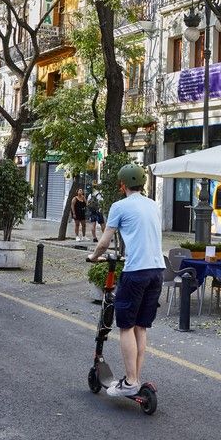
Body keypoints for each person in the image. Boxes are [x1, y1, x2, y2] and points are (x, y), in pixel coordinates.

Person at [87, 164, 165, 397]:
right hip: (157, 270)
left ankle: (130, 380)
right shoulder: (153, 205)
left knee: (125, 326)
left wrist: (93, 257)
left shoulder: (119, 206)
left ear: (122, 185)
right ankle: (135, 379)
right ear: (143, 184)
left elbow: (104, 242)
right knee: (141, 326)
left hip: (136, 272)